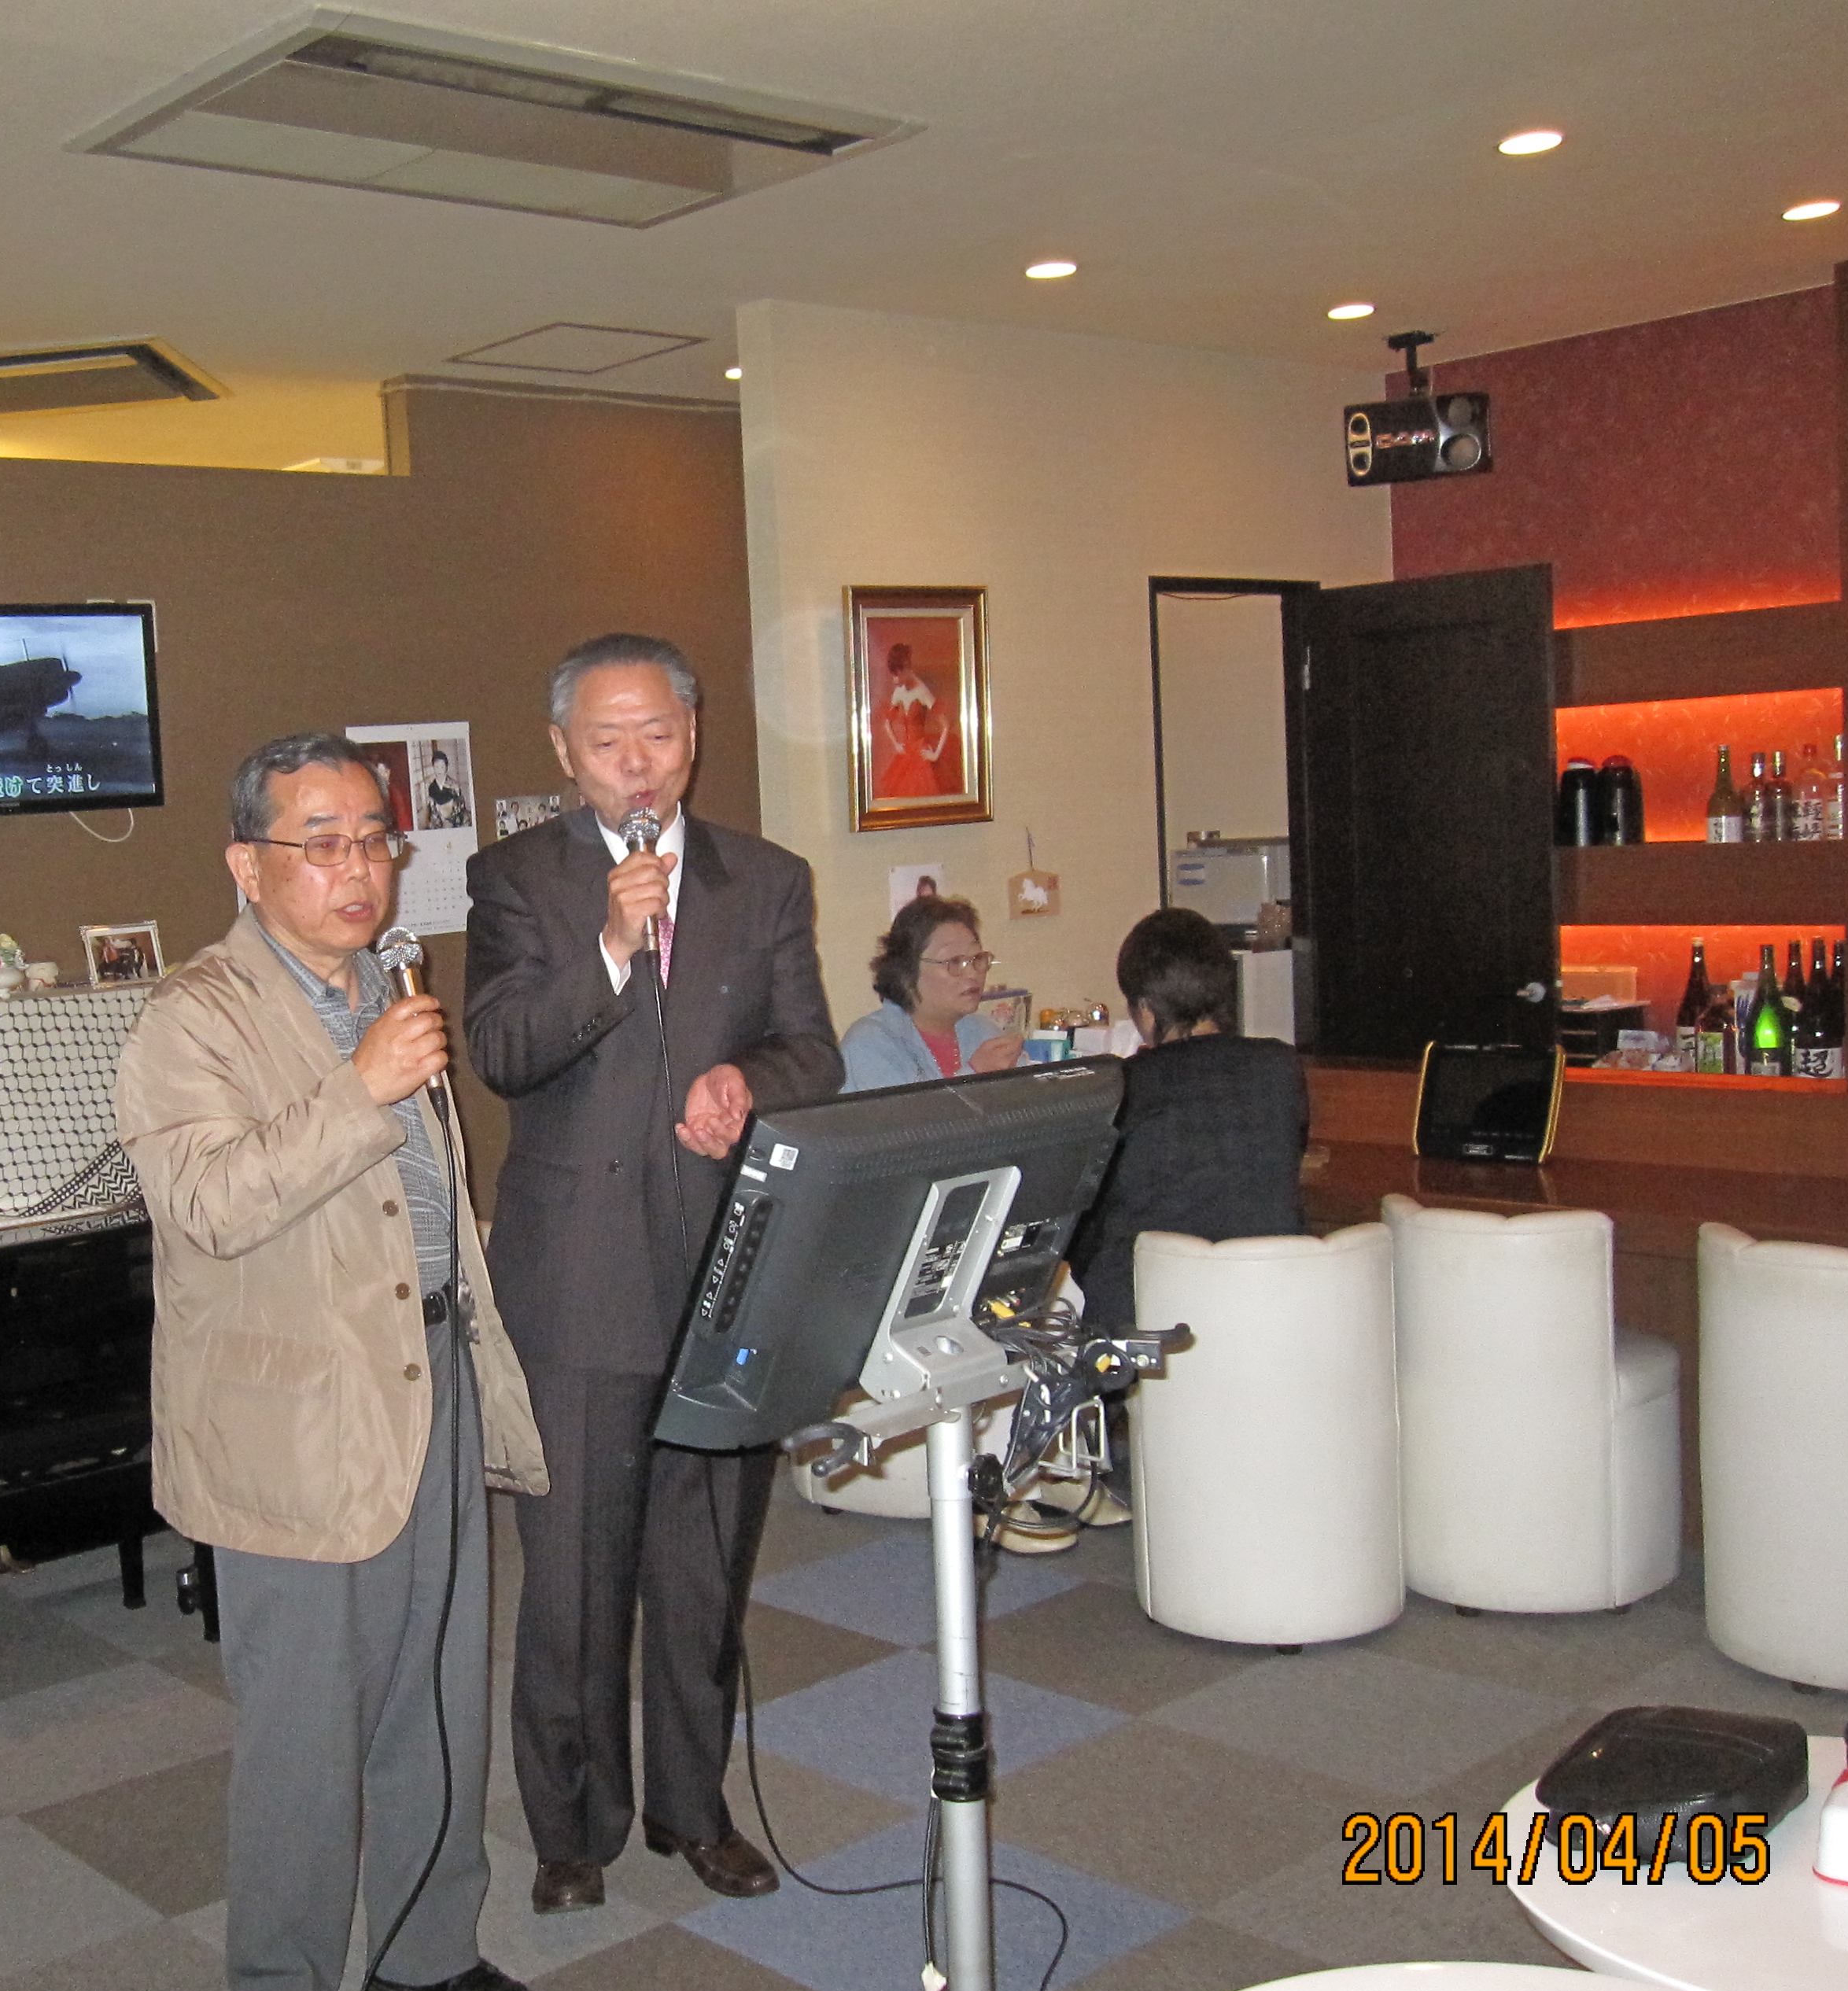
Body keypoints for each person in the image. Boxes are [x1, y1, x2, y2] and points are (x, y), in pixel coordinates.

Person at [113, 735, 548, 1991]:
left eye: (372, 838)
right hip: (295, 1413)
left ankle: (426, 1944)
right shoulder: (192, 1018)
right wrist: (357, 1088)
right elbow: (208, 1204)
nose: (357, 867)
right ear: (247, 866)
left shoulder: (388, 985)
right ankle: (286, 1988)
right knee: (305, 1719)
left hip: (431, 1372)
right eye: (321, 842)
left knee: (438, 1688)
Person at [467, 632, 843, 1915]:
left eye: (660, 736)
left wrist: (748, 1081)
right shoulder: (516, 879)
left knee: (703, 1568)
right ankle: (573, 1829)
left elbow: (812, 1050)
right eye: (608, 740)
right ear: (563, 751)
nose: (637, 764)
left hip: (727, 1270)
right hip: (578, 1281)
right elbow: (502, 1052)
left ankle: (695, 1807)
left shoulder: (766, 879)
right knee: (573, 1578)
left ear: (694, 738)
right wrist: (613, 949)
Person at [1064, 905, 1309, 1332]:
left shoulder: (1124, 1086)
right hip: (1270, 1316)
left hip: (1149, 1327)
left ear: (1146, 1010)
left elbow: (1087, 1225)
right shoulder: (1280, 1067)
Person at [840, 894, 1024, 1090]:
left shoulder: (983, 1030)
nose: (973, 973)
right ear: (906, 972)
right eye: (954, 961)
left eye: (977, 958)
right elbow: (908, 1110)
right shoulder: (870, 1042)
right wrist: (975, 1073)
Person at [872, 642, 956, 799]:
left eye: (897, 674)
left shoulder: (922, 691)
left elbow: (945, 725)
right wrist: (896, 744)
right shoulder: (898, 692)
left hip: (921, 753)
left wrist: (935, 755)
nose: (895, 680)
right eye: (893, 675)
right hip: (906, 754)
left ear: (906, 668)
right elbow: (887, 723)